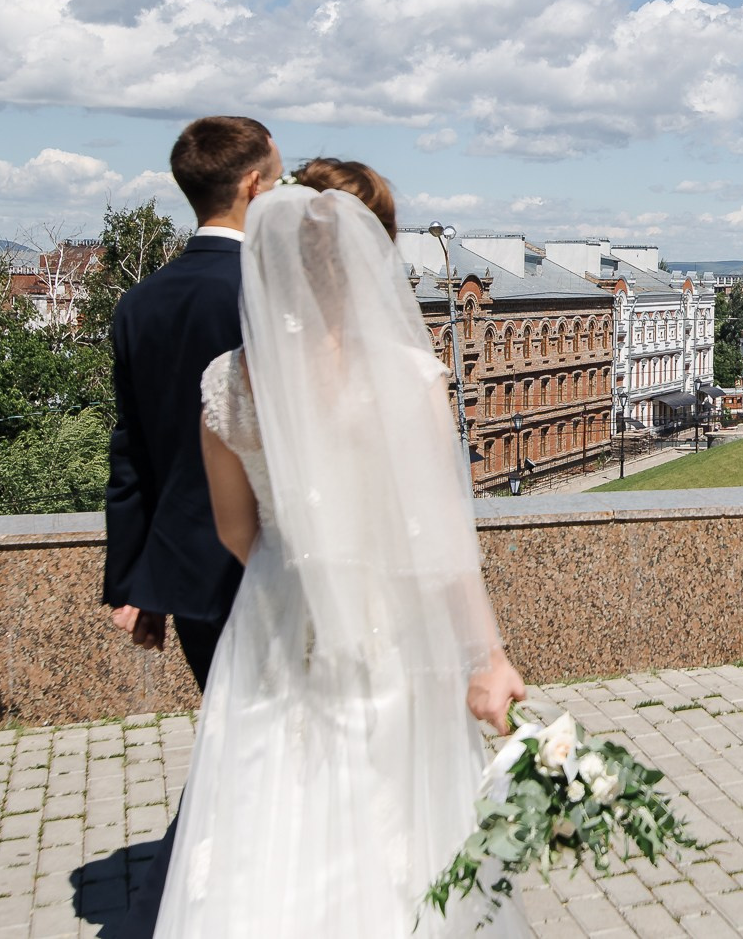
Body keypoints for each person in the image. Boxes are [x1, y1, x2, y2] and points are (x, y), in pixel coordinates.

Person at [154, 170, 530, 937]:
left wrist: (296, 566)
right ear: (371, 255)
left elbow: (235, 529)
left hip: (276, 617)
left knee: (268, 812)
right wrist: (487, 656)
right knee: (394, 815)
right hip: (390, 625)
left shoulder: (228, 382)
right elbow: (440, 540)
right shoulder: (406, 375)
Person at [104, 115, 283, 690]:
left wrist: (139, 582)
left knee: (231, 741)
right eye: (278, 183)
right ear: (253, 185)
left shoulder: (138, 302)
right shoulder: (269, 292)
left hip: (187, 576)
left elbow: (132, 451)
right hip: (276, 564)